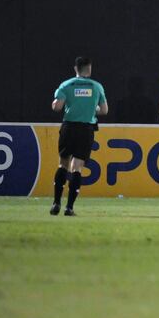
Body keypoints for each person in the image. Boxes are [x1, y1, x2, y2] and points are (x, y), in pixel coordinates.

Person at [50, 57, 108, 216]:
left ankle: (56, 203)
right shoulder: (96, 87)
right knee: (77, 167)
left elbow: (58, 107)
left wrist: (57, 104)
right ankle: (69, 207)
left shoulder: (66, 85)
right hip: (86, 129)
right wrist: (90, 108)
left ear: (75, 68)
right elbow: (104, 110)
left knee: (63, 164)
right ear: (89, 68)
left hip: (69, 127)